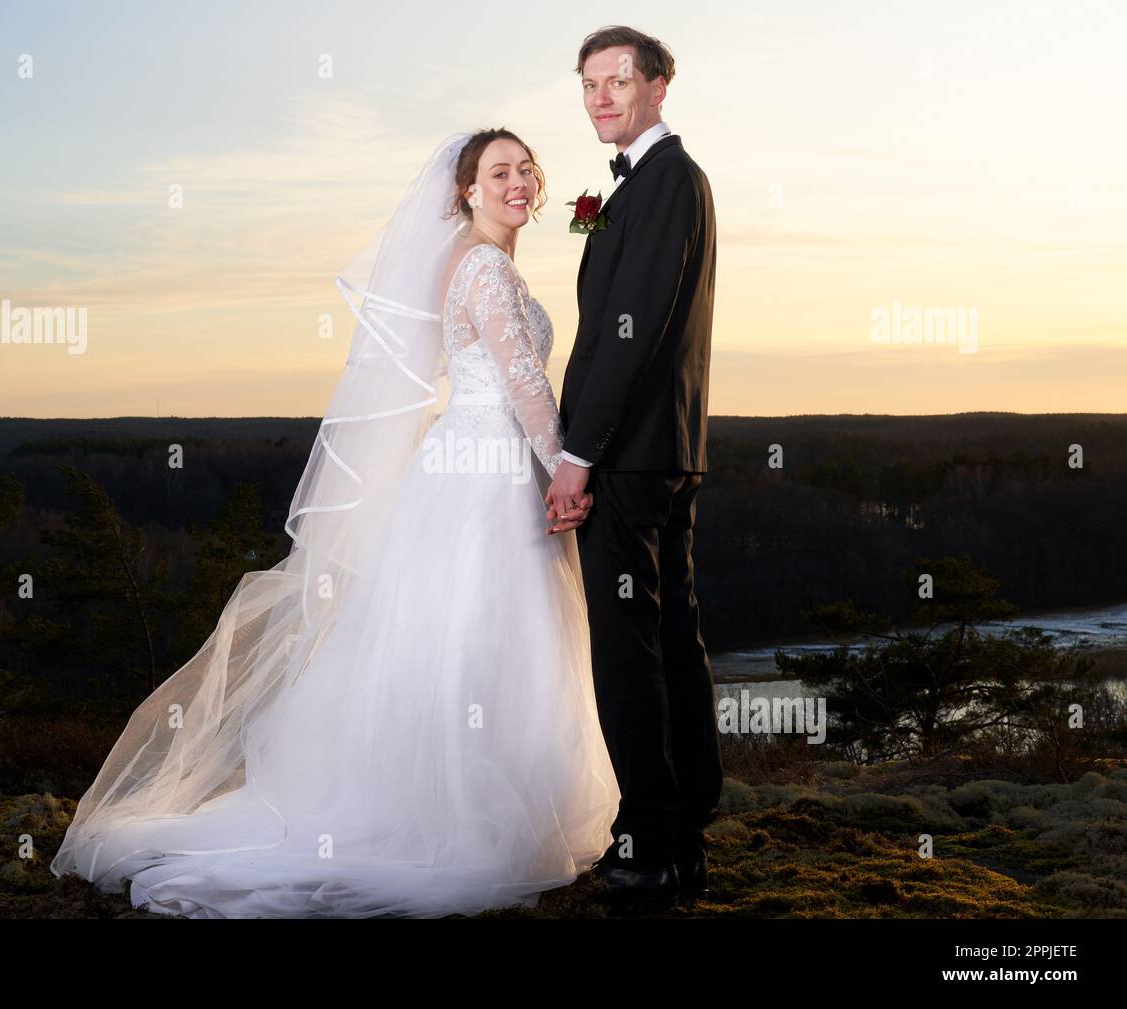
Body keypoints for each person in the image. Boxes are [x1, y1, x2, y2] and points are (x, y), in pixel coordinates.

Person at [49, 129, 622, 918]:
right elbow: (524, 384)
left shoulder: (473, 259)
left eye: (526, 170)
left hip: (467, 460)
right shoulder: (485, 266)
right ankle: (463, 819)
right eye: (500, 172)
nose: (518, 182)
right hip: (489, 469)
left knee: (468, 637)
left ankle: (479, 801)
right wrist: (566, 472)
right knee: (483, 634)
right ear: (465, 191)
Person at [547, 25, 724, 906]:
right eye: (588, 85)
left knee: (628, 652)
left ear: (660, 84)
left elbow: (633, 336)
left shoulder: (666, 183)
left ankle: (650, 842)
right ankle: (684, 836)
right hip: (664, 452)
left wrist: (578, 455)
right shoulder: (639, 187)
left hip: (627, 456)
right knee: (670, 639)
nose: (601, 97)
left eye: (618, 80)